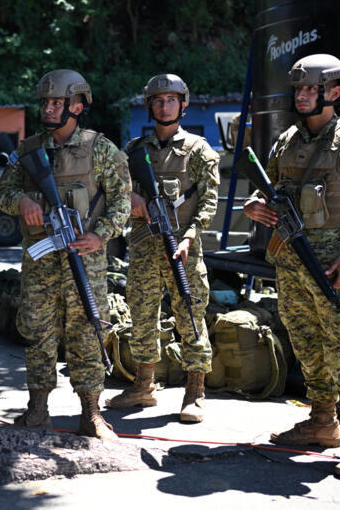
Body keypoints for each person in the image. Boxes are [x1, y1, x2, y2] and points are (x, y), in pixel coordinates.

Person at [243, 53, 340, 479]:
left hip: (332, 267)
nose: (303, 96)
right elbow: (271, 192)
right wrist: (256, 208)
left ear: (334, 91)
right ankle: (322, 422)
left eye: (312, 89)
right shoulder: (287, 141)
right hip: (289, 264)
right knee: (307, 344)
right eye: (299, 89)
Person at [0, 69, 131, 440]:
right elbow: (2, 193)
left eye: (57, 103)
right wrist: (21, 200)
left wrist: (99, 236)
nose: (49, 109)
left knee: (88, 333)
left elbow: (122, 204)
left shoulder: (101, 149)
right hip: (41, 263)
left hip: (84, 263)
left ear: (77, 106)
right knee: (37, 335)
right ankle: (37, 409)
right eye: (46, 102)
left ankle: (91, 413)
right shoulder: (27, 152)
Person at [105, 74, 218, 423]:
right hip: (143, 250)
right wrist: (132, 198)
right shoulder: (134, 151)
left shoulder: (198, 150)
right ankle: (144, 385)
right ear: (150, 106)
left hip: (183, 250)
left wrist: (188, 237)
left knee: (190, 314)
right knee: (141, 317)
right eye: (158, 100)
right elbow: (114, 188)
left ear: (182, 105)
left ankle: (195, 392)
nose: (164, 105)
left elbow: (210, 201)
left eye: (171, 99)